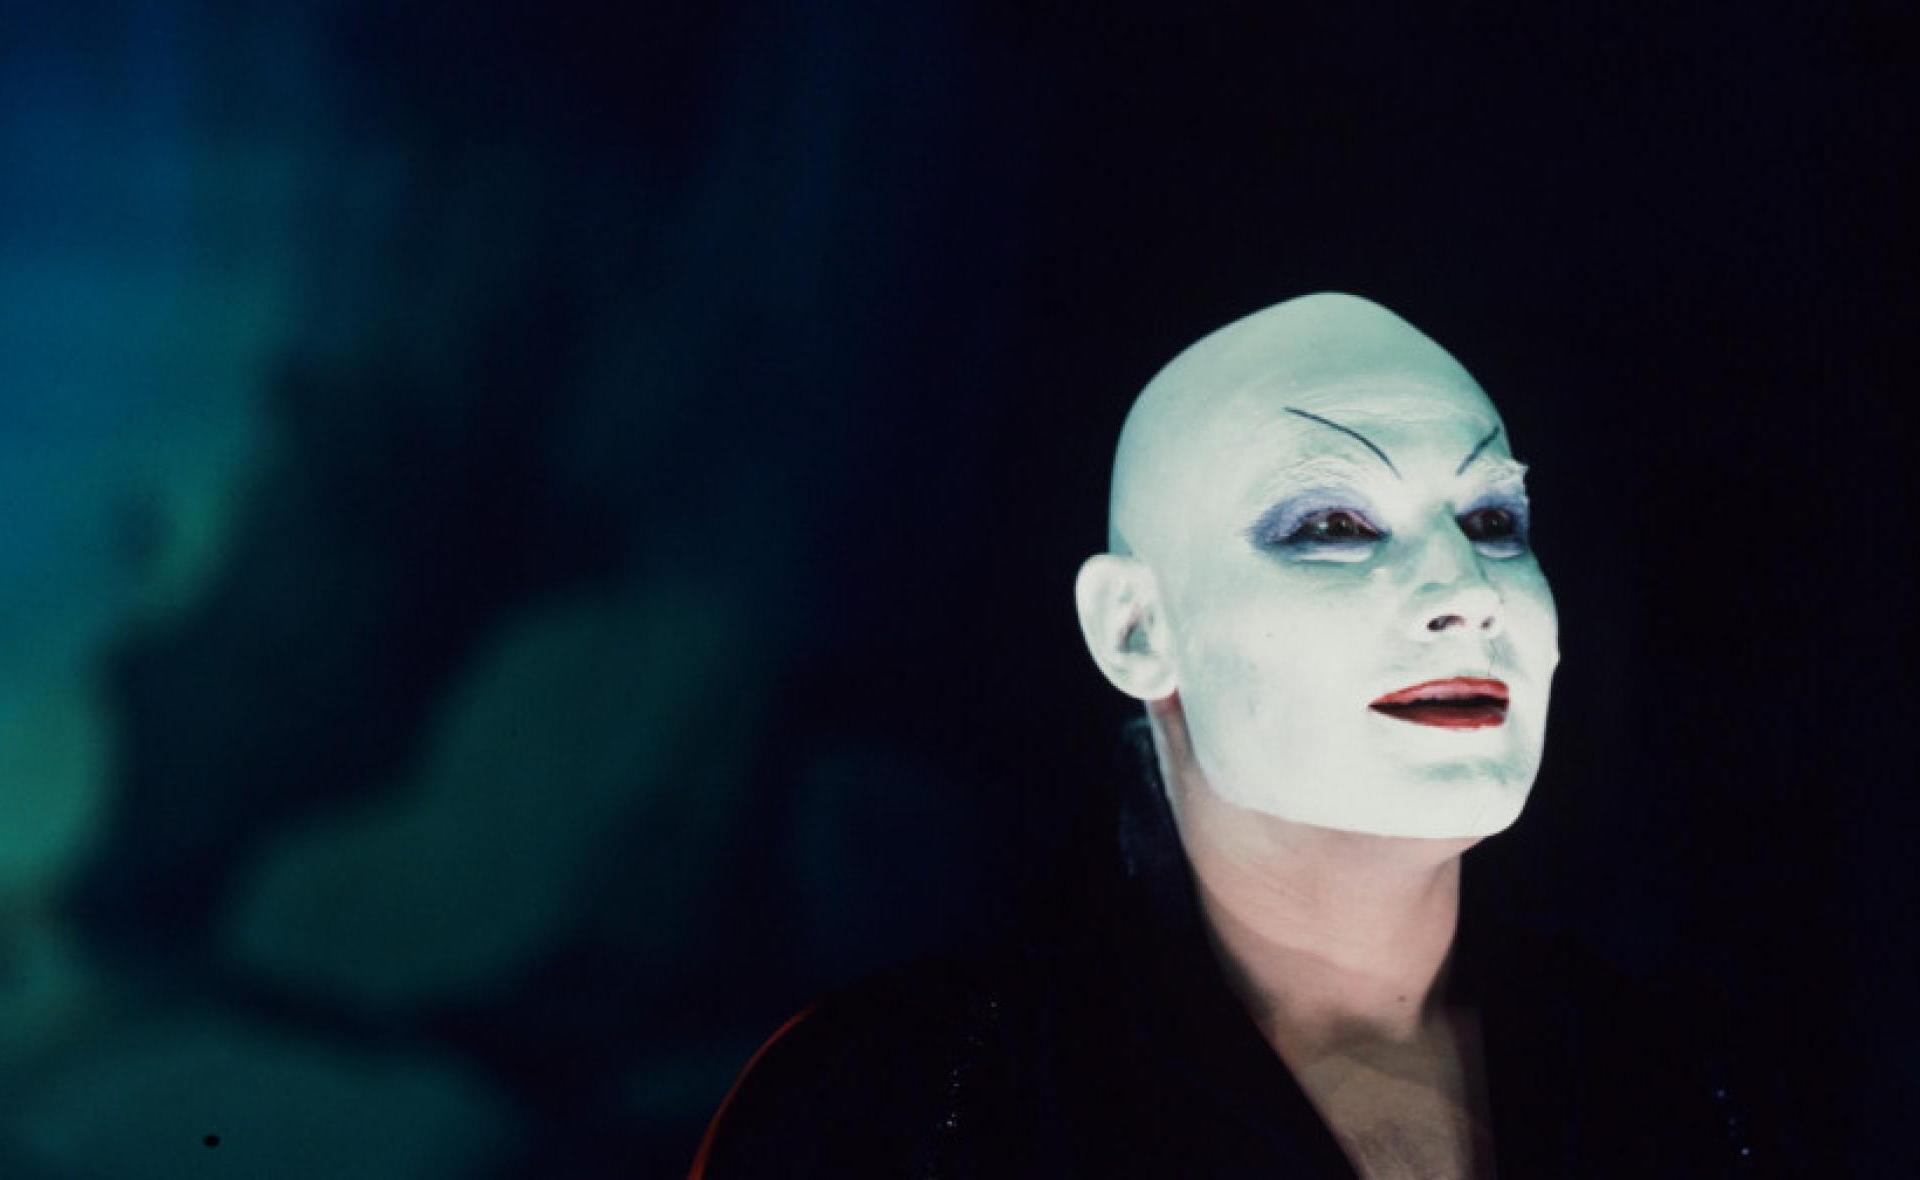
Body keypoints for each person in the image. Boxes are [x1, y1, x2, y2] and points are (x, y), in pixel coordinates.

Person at [690, 293, 1766, 1178]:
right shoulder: (907, 1107)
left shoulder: (1676, 1084)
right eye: (1332, 525)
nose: (1467, 592)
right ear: (1135, 627)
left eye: (1491, 521)